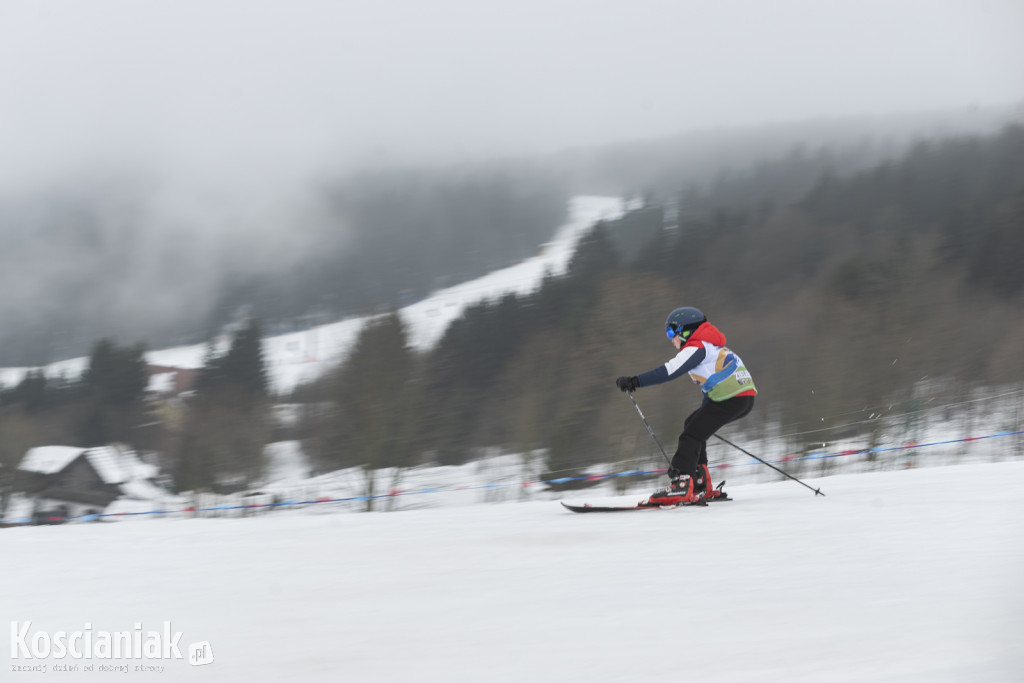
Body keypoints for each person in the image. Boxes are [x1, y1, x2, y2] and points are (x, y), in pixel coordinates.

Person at [616, 307, 756, 504]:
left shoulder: (697, 347)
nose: (670, 338)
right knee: (693, 424)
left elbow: (668, 371)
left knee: (690, 435)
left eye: (671, 332)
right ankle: (700, 485)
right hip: (742, 398)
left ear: (686, 330)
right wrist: (703, 418)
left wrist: (634, 381)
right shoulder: (712, 347)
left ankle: (680, 485)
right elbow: (712, 389)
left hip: (731, 398)